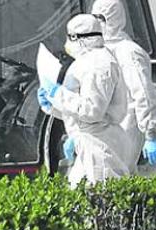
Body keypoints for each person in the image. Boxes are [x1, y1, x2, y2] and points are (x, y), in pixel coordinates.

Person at [38, 14, 138, 186]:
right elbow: (82, 109)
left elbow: (92, 110)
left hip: (100, 145)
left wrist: (57, 93)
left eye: (71, 37)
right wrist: (52, 106)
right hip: (90, 141)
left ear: (80, 39)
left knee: (102, 201)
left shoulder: (98, 64)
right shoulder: (89, 61)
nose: (68, 42)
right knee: (77, 197)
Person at [91, 0, 156, 169]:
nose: (96, 23)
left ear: (114, 18)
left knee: (118, 173)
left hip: (126, 126)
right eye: (94, 18)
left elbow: (143, 94)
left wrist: (150, 133)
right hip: (106, 127)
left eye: (101, 18)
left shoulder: (129, 52)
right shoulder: (102, 50)